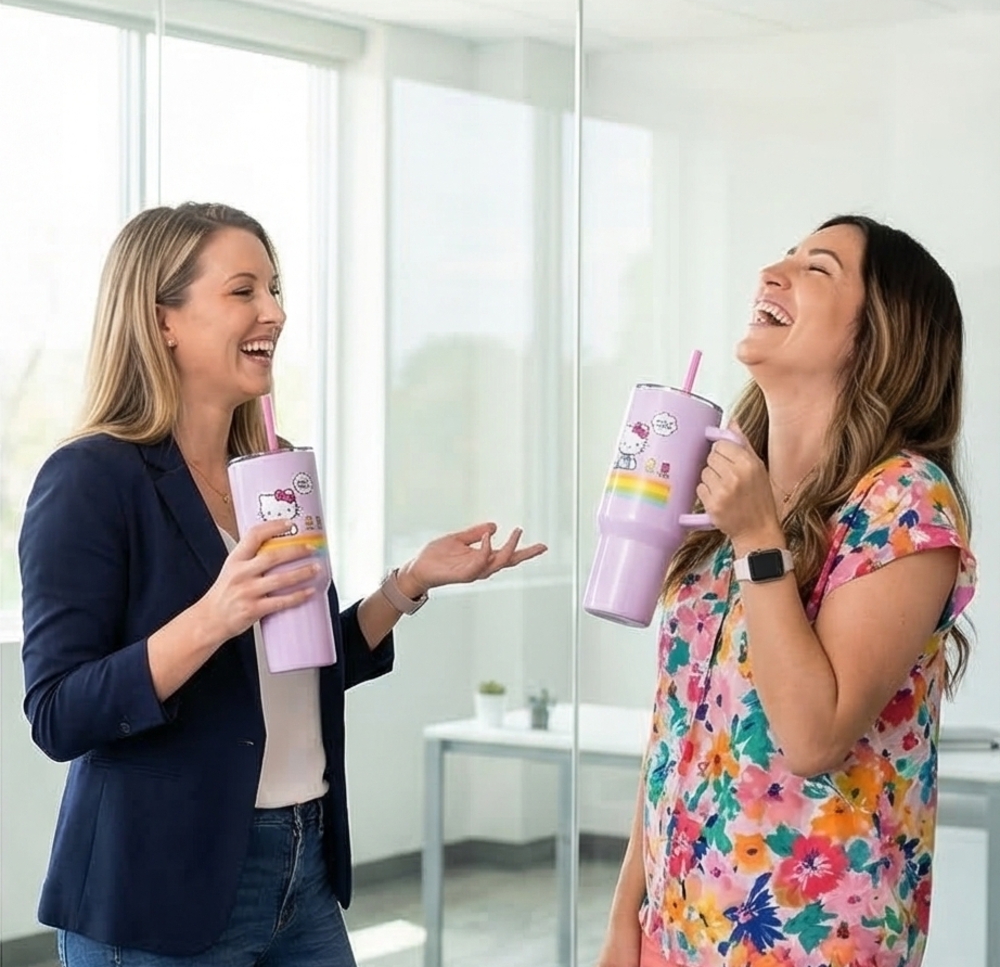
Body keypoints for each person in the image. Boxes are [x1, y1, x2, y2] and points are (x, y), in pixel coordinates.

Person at [19, 202, 547, 967]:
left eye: (275, 289)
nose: (275, 311)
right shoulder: (91, 478)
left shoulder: (274, 468)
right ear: (163, 318)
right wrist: (214, 615)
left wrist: (408, 584)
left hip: (303, 867)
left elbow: (297, 663)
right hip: (160, 891)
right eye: (245, 291)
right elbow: (58, 712)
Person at [597, 215, 977, 967]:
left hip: (807, 947)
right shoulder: (727, 499)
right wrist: (625, 920)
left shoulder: (905, 503)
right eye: (788, 256)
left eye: (818, 268)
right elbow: (676, 732)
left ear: (879, 337)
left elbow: (814, 736)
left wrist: (758, 540)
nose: (774, 270)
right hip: (675, 936)